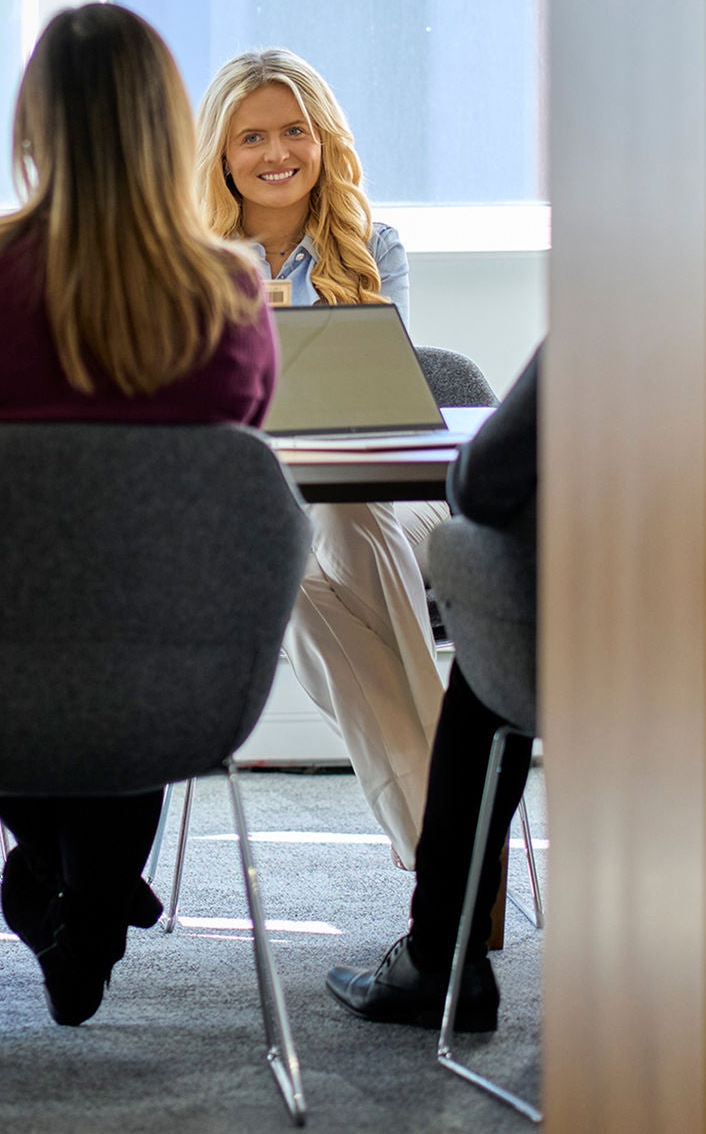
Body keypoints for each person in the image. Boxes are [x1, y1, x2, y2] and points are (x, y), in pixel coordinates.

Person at [0, 2, 277, 1025]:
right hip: (171, 671)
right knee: (124, 645)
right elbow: (228, 485)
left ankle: (56, 878)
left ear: (29, 126)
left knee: (42, 660)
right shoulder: (229, 287)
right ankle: (87, 894)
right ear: (170, 130)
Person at [196, 48, 445, 867]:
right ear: (221, 156)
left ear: (323, 138)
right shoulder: (187, 265)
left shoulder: (375, 247)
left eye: (295, 131)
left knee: (339, 515)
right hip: (259, 518)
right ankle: (451, 841)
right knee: (293, 579)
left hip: (384, 502)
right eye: (253, 137)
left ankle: (445, 857)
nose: (277, 154)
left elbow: (384, 404)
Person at [327, 344, 539, 1032]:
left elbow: (480, 480)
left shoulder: (613, 317)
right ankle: (425, 823)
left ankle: (441, 949)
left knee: (486, 666)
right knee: (314, 577)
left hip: (599, 628)